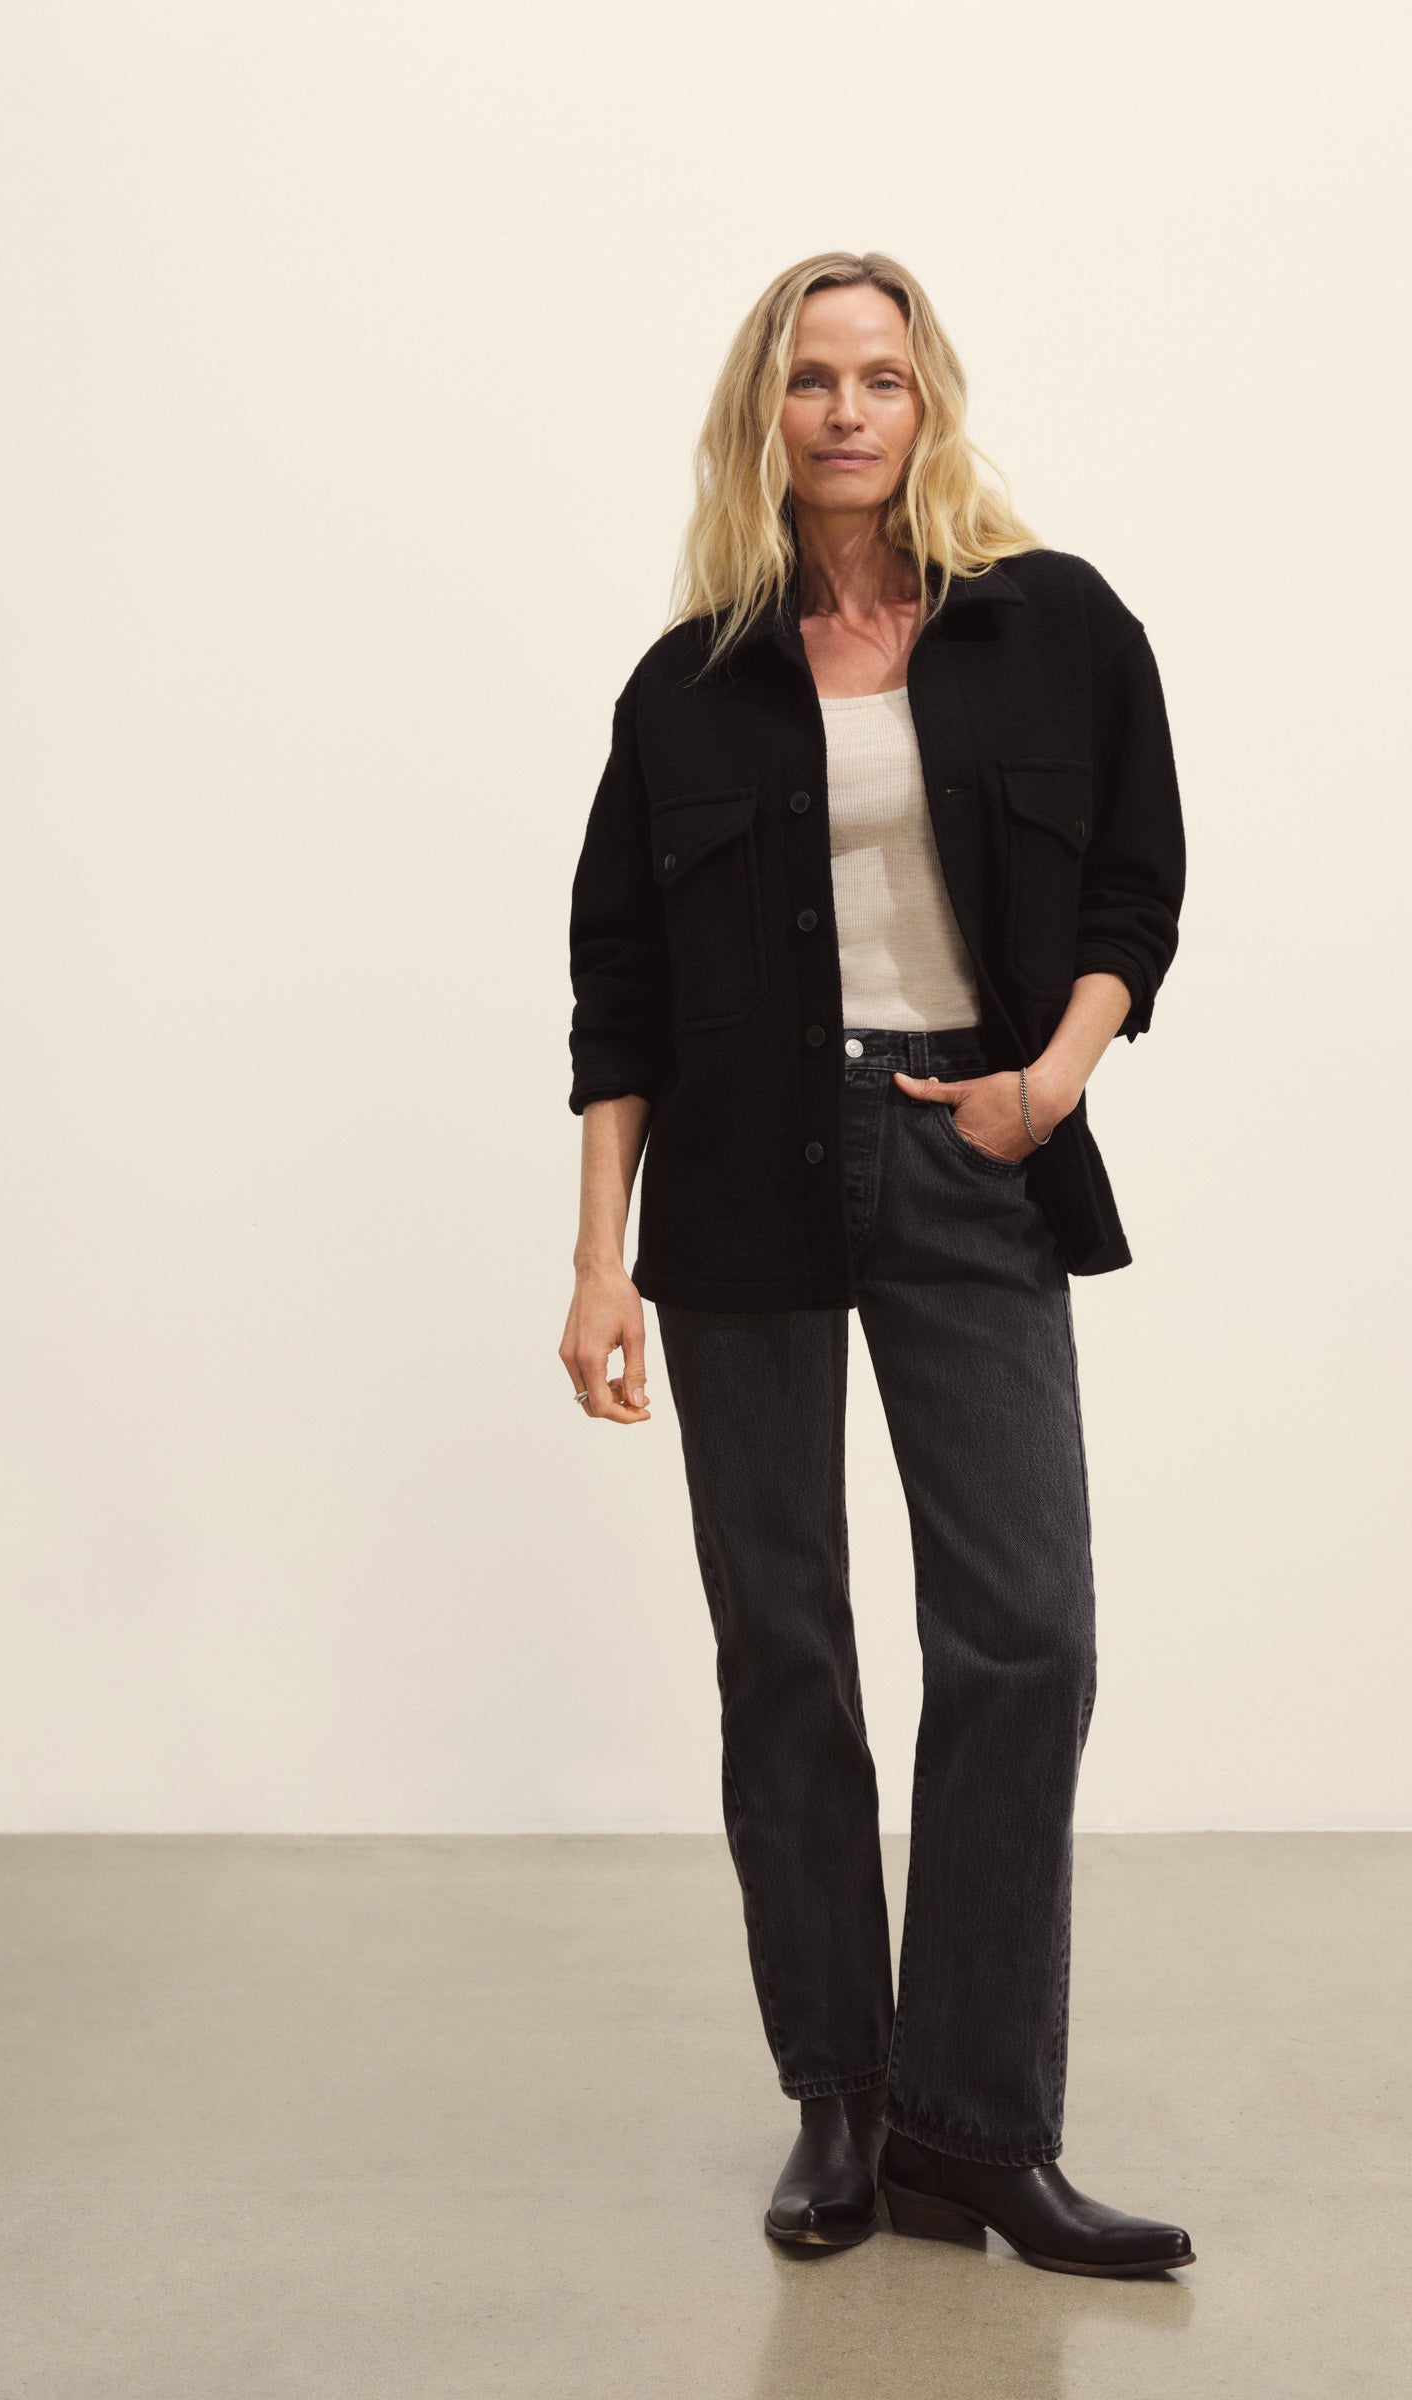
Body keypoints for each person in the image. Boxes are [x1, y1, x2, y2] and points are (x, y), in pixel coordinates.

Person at [560, 251, 1193, 2278]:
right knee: (788, 1642)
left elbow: (1137, 887)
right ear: (762, 411)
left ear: (930, 405)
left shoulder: (1054, 622)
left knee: (1026, 1637)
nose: (846, 411)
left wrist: (1046, 1086)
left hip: (967, 1143)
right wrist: (598, 1260)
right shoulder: (687, 684)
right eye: (811, 378)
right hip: (743, 1173)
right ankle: (838, 2096)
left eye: (881, 378)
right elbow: (618, 989)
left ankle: (973, 2130)